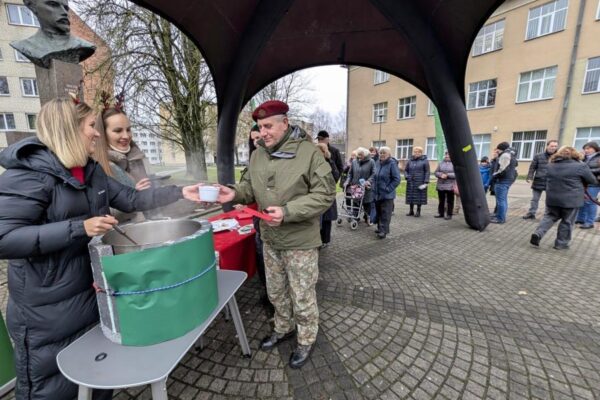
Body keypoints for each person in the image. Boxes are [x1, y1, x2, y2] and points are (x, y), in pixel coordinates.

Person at [0, 98, 202, 400]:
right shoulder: (27, 176)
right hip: (45, 310)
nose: (97, 134)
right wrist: (78, 228)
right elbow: (5, 238)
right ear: (69, 129)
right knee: (50, 388)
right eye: (92, 126)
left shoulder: (91, 171)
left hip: (90, 293)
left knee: (96, 378)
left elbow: (132, 199)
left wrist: (179, 192)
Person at [204, 100, 335, 369]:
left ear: (285, 123)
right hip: (270, 239)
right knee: (275, 292)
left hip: (299, 241)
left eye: (268, 126)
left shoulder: (308, 152)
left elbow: (326, 194)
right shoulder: (258, 154)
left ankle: (306, 338)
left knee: (302, 295)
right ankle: (284, 327)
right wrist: (233, 192)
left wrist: (287, 211)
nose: (263, 132)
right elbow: (249, 188)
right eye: (260, 127)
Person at [530, 146, 597, 249]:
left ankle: (538, 233)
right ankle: (561, 244)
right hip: (571, 200)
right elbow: (592, 180)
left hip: (553, 198)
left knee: (549, 217)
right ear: (575, 154)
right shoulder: (581, 166)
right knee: (567, 221)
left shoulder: (550, 165)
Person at [10, 0, 95, 68]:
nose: (64, 12)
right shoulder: (27, 46)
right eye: (53, 4)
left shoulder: (83, 45)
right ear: (32, 6)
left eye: (66, 8)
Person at [523, 140, 558, 220]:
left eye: (555, 146)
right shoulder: (538, 156)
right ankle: (531, 213)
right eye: (552, 146)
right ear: (547, 146)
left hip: (552, 182)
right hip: (539, 180)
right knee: (534, 199)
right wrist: (529, 177)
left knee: (549, 200)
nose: (553, 148)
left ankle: (547, 215)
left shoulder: (559, 157)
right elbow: (532, 167)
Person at [373, 147, 401, 238]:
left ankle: (383, 231)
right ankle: (380, 227)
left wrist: (388, 188)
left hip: (387, 194)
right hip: (377, 192)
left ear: (389, 154)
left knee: (385, 213)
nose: (382, 154)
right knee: (379, 211)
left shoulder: (392, 164)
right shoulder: (377, 163)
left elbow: (397, 179)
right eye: (380, 153)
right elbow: (375, 175)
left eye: (384, 153)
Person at [316, 143, 340, 247]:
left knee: (326, 220)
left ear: (324, 152)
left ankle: (325, 240)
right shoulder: (315, 162)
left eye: (318, 151)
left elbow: (334, 178)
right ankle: (319, 239)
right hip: (317, 196)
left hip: (326, 195)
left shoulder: (329, 163)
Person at [345, 147, 375, 225]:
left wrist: (368, 181)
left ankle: (367, 217)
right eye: (358, 155)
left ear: (365, 155)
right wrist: (347, 181)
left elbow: (374, 173)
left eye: (361, 155)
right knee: (356, 202)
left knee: (366, 203)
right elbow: (350, 173)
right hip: (355, 186)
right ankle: (356, 218)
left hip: (366, 187)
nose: (359, 156)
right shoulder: (354, 161)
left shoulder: (371, 162)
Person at [490, 142, 517, 224]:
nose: (496, 151)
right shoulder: (510, 154)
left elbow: (502, 170)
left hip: (502, 180)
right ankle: (499, 215)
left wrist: (494, 175)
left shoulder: (505, 155)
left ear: (500, 149)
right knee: (503, 200)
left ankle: (500, 218)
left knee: (500, 200)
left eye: (497, 149)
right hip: (508, 179)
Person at [575, 141, 600, 229]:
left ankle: (590, 222)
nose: (586, 150)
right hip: (584, 182)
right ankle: (581, 218)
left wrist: (586, 171)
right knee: (583, 201)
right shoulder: (584, 157)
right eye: (585, 149)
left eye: (588, 148)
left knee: (590, 202)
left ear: (595, 148)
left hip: (594, 183)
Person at [404, 146, 430, 217]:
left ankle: (418, 211)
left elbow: (427, 172)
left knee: (419, 196)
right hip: (410, 181)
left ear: (421, 153)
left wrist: (426, 181)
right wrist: (406, 176)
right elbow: (406, 170)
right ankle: (411, 211)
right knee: (410, 196)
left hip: (420, 181)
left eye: (418, 152)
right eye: (415, 152)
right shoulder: (410, 160)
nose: (416, 153)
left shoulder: (425, 161)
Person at [434, 151, 456, 220]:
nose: (447, 157)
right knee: (441, 200)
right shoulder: (441, 163)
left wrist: (447, 175)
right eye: (446, 155)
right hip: (441, 184)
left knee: (450, 200)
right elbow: (436, 172)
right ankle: (441, 213)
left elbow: (457, 174)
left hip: (450, 185)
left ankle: (449, 214)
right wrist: (441, 175)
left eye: (448, 155)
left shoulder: (455, 164)